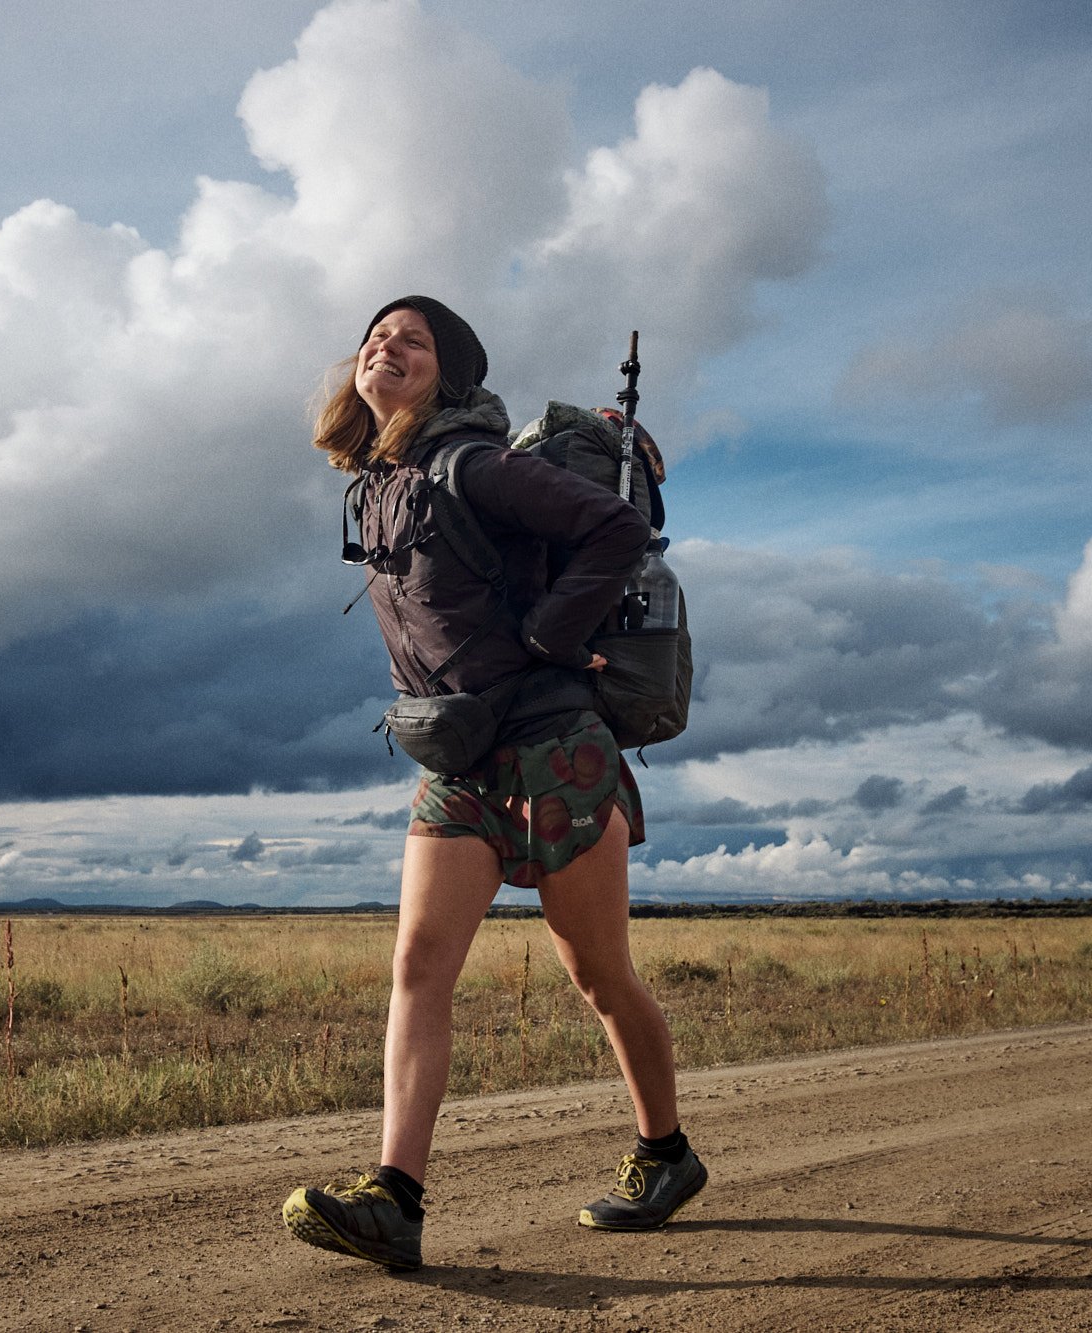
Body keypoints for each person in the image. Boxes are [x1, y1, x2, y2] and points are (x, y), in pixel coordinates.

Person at [280, 297, 706, 1271]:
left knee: (597, 975)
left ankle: (665, 1153)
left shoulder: (472, 465)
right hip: (459, 757)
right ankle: (394, 1198)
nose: (387, 345)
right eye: (375, 337)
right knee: (419, 968)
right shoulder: (376, 486)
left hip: (555, 743)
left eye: (413, 340)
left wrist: (549, 636)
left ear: (448, 377)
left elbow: (607, 531)